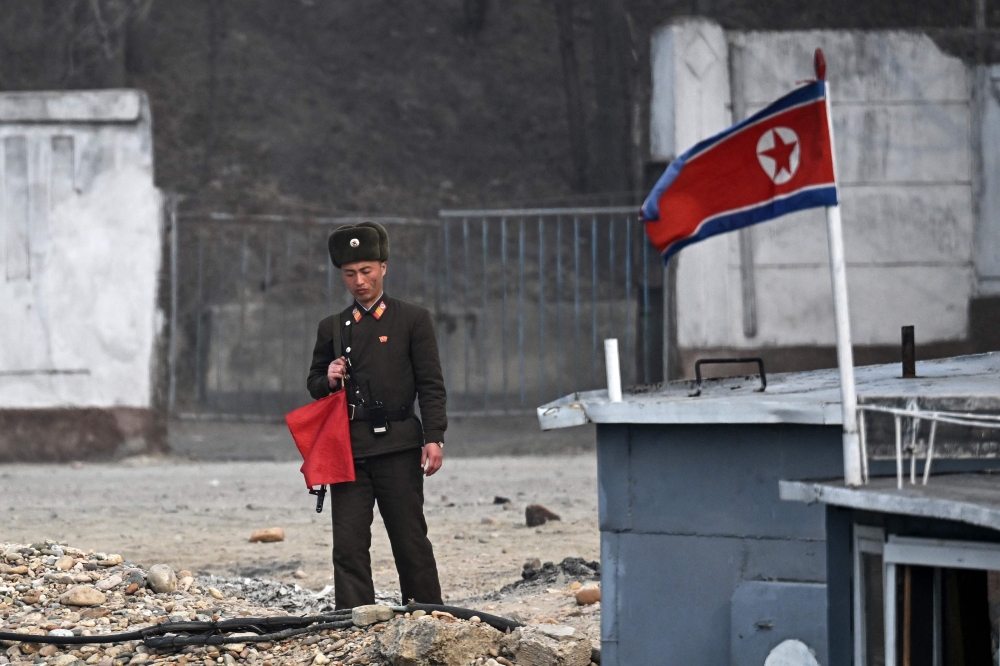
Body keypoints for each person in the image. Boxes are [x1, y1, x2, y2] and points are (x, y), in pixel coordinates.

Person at [306, 221, 445, 609]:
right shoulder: (333, 327)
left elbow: (431, 384)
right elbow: (314, 383)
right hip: (349, 449)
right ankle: (353, 619)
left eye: (366, 270)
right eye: (349, 273)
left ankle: (428, 613)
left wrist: (434, 436)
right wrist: (328, 378)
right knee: (348, 544)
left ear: (383, 267)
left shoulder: (413, 319)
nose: (359, 281)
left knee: (410, 539)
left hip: (399, 444)